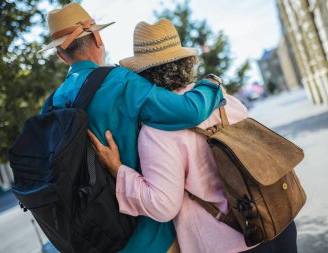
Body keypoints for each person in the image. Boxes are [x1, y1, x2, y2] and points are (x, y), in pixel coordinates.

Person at [89, 18, 298, 253]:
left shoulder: (156, 132)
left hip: (228, 243)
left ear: (143, 77)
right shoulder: (224, 100)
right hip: (277, 221)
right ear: (187, 62)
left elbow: (163, 206)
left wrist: (119, 171)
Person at [40, 3, 224, 253]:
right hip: (148, 236)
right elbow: (188, 111)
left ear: (61, 56)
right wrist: (212, 84)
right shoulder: (121, 82)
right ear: (97, 37)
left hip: (94, 236)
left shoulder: (51, 106)